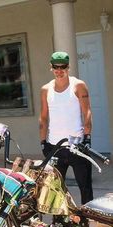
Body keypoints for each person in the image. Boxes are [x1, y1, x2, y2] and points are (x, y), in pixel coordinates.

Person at [39, 51, 93, 204]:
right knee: (55, 190)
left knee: (85, 188)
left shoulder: (78, 85)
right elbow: (43, 117)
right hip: (55, 147)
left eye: (63, 67)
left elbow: (87, 112)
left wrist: (87, 138)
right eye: (56, 67)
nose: (59, 71)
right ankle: (59, 224)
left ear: (68, 67)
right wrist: (43, 142)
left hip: (77, 146)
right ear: (51, 67)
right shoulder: (45, 89)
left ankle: (88, 223)